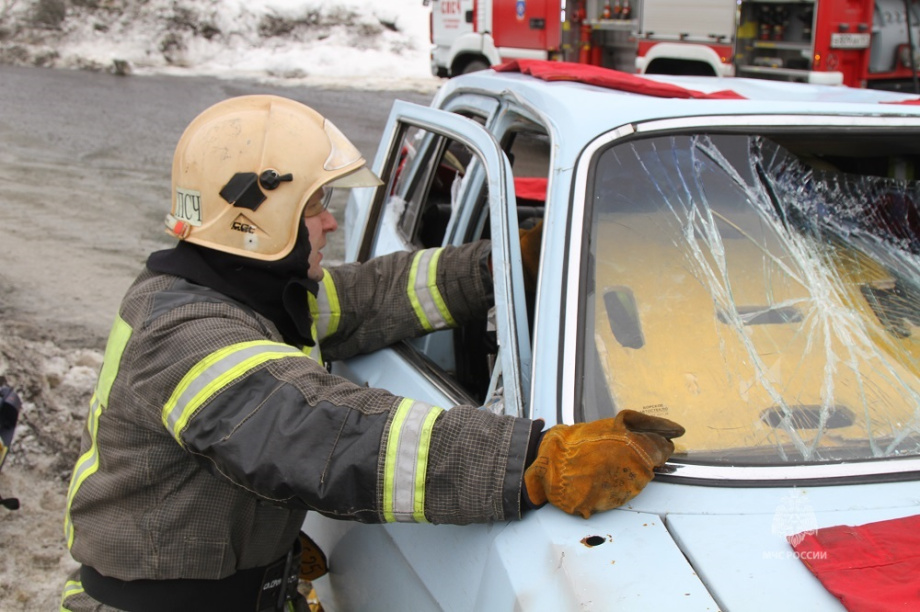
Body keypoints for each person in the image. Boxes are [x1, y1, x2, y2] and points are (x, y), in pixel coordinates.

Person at [59, 95, 685, 612]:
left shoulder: (245, 296)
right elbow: (321, 434)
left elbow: (369, 297)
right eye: (314, 208)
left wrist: (506, 265)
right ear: (259, 219)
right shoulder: (186, 333)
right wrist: (533, 458)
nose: (329, 224)